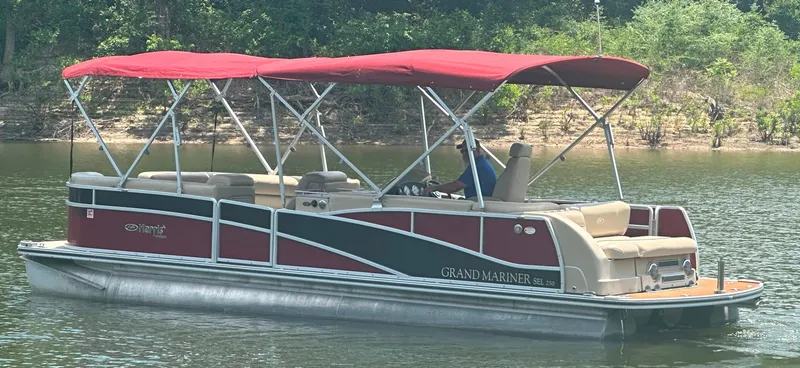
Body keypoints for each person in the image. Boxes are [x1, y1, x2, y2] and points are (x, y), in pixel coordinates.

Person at [423, 139, 497, 198]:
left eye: (465, 151)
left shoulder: (477, 166)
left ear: (475, 151)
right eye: (462, 151)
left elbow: (455, 186)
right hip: (478, 201)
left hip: (478, 204)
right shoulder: (482, 163)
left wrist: (433, 188)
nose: (463, 154)